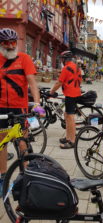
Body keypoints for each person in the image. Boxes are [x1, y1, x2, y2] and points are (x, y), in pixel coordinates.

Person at [0, 28, 42, 197]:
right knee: (1, 144)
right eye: (6, 43)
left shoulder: (24, 59)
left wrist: (37, 103)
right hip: (1, 107)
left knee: (22, 141)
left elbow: (32, 82)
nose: (11, 46)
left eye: (13, 42)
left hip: (19, 108)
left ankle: (25, 176)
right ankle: (3, 177)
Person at [49, 50, 82, 149]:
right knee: (66, 115)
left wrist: (51, 92)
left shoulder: (66, 68)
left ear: (65, 59)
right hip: (76, 93)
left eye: (62, 59)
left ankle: (72, 141)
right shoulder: (76, 67)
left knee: (70, 117)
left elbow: (59, 82)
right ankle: (67, 137)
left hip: (70, 94)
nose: (61, 60)